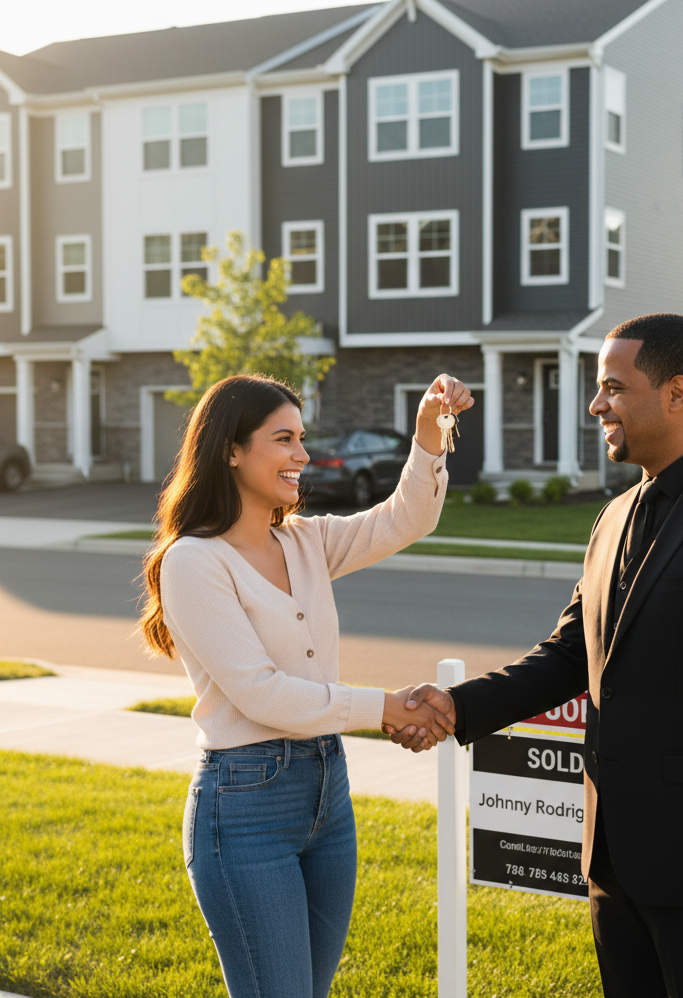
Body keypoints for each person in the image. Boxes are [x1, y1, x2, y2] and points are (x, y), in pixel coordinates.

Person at [391, 313, 683, 998]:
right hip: (613, 862)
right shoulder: (612, 515)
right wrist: (456, 706)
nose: (596, 405)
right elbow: (569, 656)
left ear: (676, 393)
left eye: (613, 388)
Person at [138, 372, 469, 998]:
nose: (303, 455)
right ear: (231, 449)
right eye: (283, 439)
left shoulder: (306, 541)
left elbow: (408, 519)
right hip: (245, 807)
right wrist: (385, 708)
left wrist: (430, 434)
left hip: (326, 793)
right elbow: (262, 693)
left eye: (302, 438)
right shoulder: (192, 562)